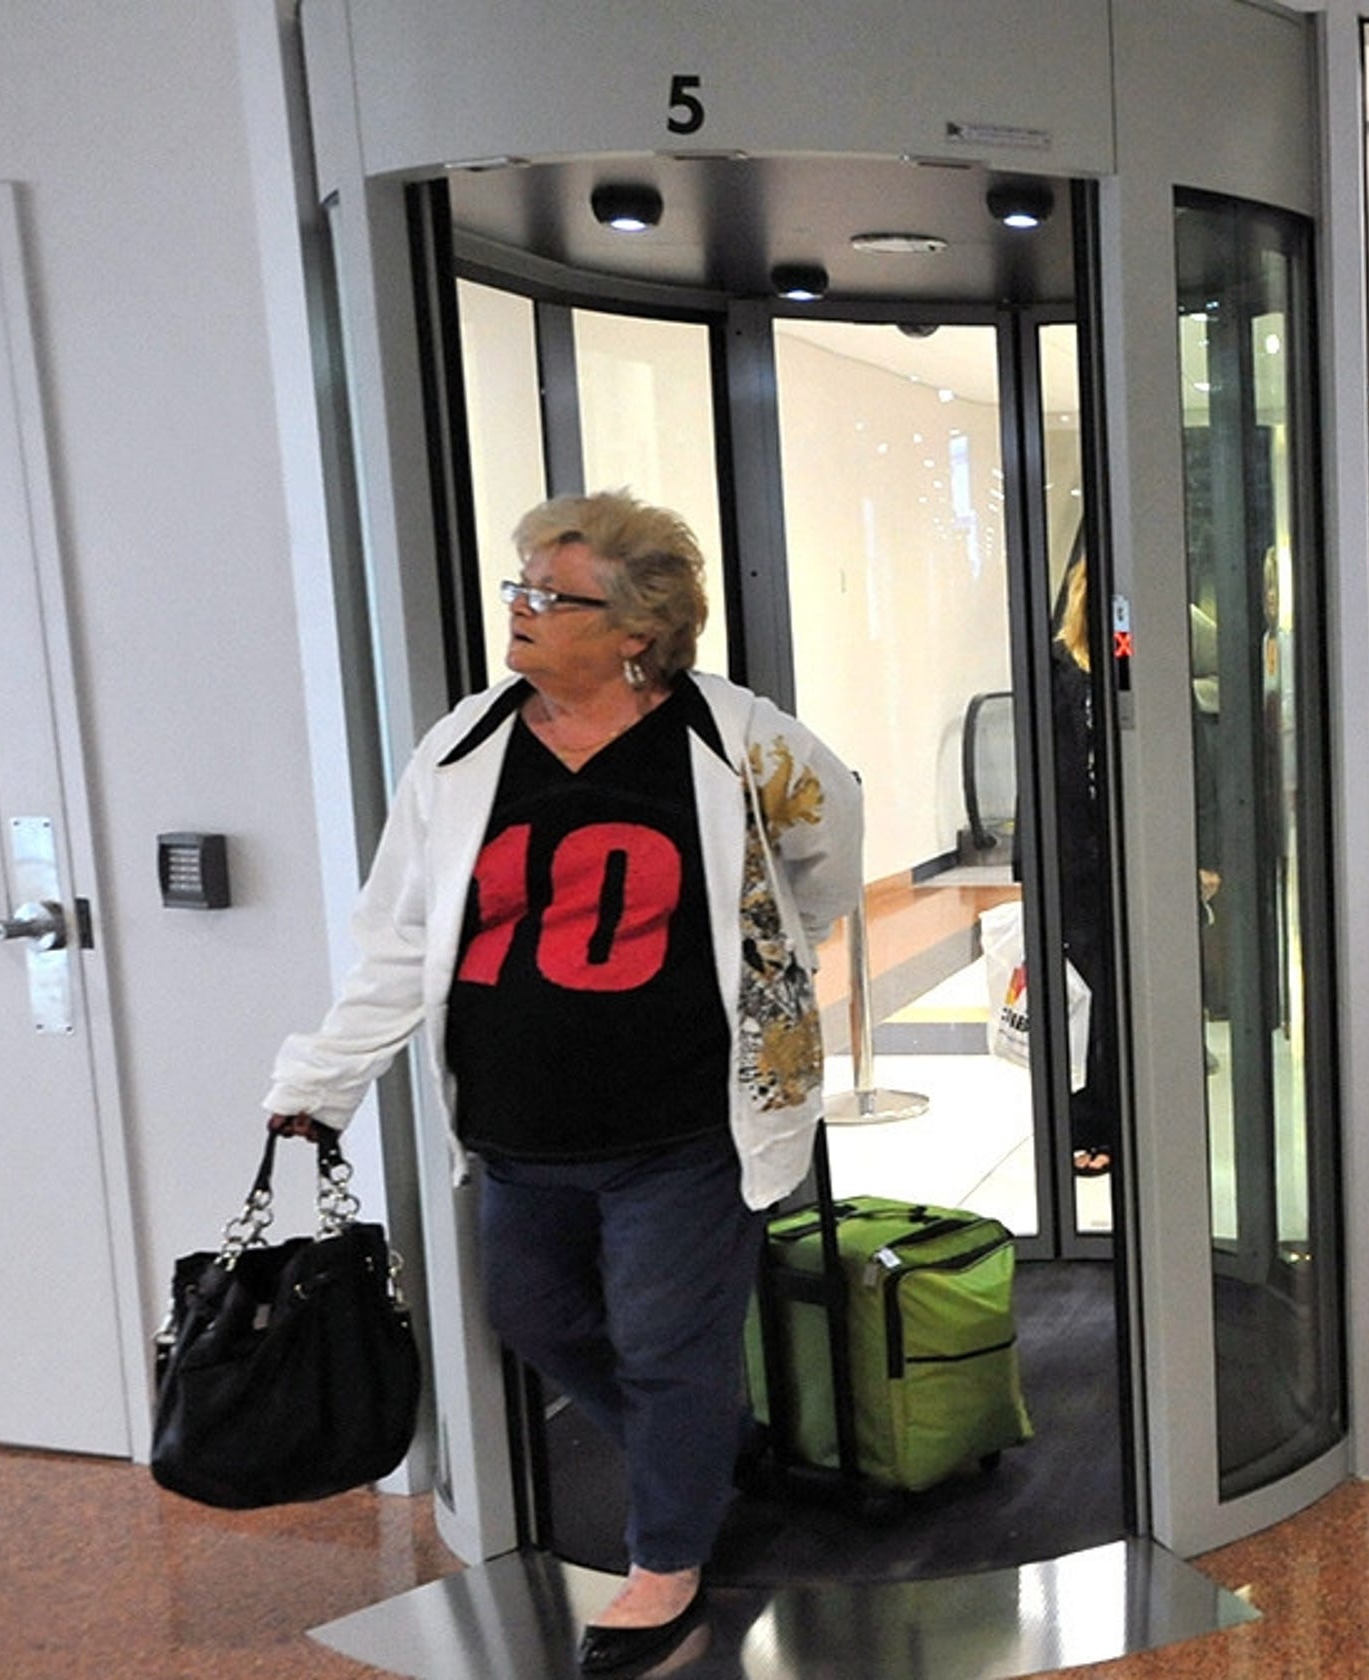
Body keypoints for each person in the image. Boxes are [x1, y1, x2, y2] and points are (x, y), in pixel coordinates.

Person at [261, 491, 860, 1673]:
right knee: (534, 1317)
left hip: (685, 1123)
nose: (520, 608)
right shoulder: (463, 747)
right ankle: (702, 1445)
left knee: (665, 1343)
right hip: (517, 1125)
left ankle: (666, 1566)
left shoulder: (741, 739)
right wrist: (323, 1078)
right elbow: (400, 934)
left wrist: (765, 954)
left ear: (636, 629)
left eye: (550, 594)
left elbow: (822, 858)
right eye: (519, 586)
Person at [1049, 556, 1121, 1178]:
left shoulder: (1142, 665)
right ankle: (1092, 1119)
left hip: (1137, 854)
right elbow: (1041, 771)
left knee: (1124, 991)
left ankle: (1116, 1115)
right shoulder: (1057, 670)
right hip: (1077, 857)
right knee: (1094, 989)